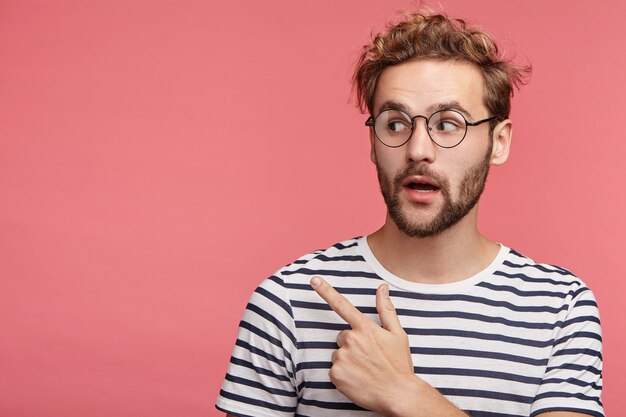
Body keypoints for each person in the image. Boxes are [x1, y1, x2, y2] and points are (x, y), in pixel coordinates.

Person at [215, 10, 604, 417]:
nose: (418, 149)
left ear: (498, 142)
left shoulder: (560, 306)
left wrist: (405, 394)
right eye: (396, 124)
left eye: (449, 124)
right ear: (373, 141)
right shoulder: (288, 302)